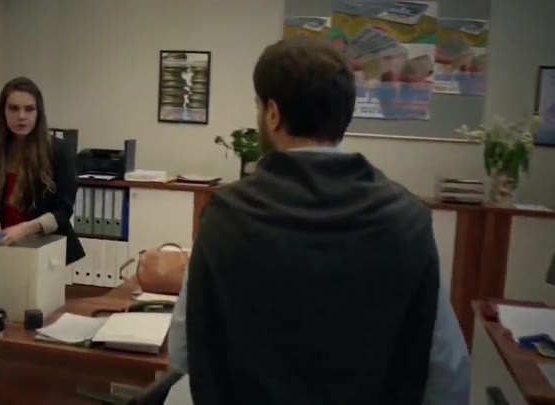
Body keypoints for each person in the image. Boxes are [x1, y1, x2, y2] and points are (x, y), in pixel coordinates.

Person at [165, 37, 470, 404]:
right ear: (344, 116)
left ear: (273, 113)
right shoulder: (408, 221)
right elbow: (448, 372)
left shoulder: (223, 218)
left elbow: (183, 351)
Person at [0, 77, 85, 265]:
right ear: (3, 111)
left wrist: (25, 229)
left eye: (29, 109)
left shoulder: (60, 150)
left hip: (45, 250)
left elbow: (63, 211)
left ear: (38, 113)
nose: (21, 116)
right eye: (13, 108)